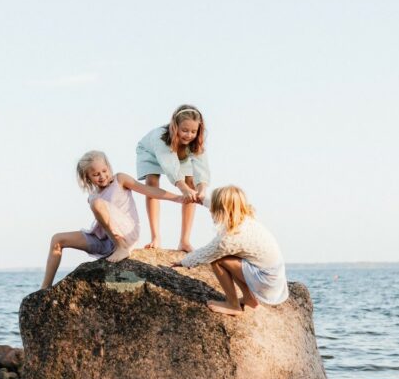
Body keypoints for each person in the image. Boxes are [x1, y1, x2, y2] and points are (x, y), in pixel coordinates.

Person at [41, 150, 189, 290]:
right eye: (96, 174)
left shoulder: (120, 179)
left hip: (126, 235)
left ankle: (121, 247)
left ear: (109, 167)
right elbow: (102, 222)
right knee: (57, 239)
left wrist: (178, 198)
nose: (102, 176)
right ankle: (44, 288)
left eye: (104, 171)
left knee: (97, 203)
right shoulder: (92, 196)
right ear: (87, 178)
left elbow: (149, 191)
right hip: (104, 240)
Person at [173, 185, 288, 316]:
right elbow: (219, 204)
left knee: (217, 260)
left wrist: (183, 262)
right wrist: (201, 199)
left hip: (266, 281)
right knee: (234, 258)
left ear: (222, 211)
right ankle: (249, 299)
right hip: (273, 276)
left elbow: (207, 253)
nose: (210, 211)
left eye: (213, 209)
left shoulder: (231, 238)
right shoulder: (246, 220)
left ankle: (233, 305)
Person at [136, 104, 210, 252]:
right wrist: (183, 189)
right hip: (151, 153)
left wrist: (201, 189)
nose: (189, 135)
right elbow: (171, 167)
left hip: (181, 155)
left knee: (191, 184)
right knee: (152, 182)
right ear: (174, 126)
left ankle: (184, 241)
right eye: (184, 130)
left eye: (193, 131)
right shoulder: (160, 138)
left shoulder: (196, 140)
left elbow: (201, 168)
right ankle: (155, 237)